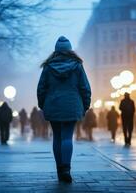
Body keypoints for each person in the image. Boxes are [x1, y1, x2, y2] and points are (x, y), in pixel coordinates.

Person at [37, 36, 91, 183]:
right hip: (72, 105)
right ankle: (66, 169)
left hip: (53, 104)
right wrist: (85, 105)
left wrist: (43, 104)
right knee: (67, 137)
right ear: (69, 50)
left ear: (56, 50)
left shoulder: (48, 66)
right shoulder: (77, 65)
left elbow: (41, 88)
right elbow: (85, 87)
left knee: (57, 137)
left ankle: (59, 169)